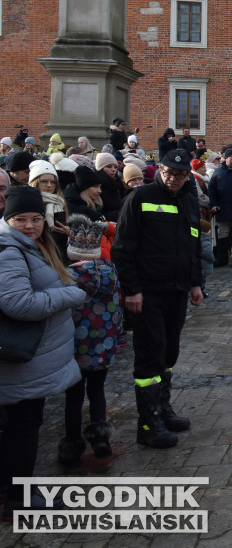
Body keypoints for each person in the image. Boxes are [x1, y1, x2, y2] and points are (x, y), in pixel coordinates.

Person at [0, 186, 87, 517]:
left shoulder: (31, 246)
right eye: (20, 219)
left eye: (35, 218)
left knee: (15, 424)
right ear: (8, 219)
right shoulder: (9, 250)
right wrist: (71, 294)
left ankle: (8, 489)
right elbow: (17, 302)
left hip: (30, 355)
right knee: (24, 425)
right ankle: (19, 498)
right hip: (23, 357)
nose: (29, 225)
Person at [111, 147, 202, 448]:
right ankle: (148, 423)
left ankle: (163, 408)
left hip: (176, 290)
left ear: (188, 175)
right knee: (150, 353)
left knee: (169, 352)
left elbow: (193, 244)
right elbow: (123, 249)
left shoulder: (189, 201)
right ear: (160, 171)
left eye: (180, 174)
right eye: (169, 173)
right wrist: (132, 289)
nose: (174, 179)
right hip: (147, 292)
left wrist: (195, 283)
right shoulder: (140, 198)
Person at [59, 215, 121, 466]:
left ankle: (72, 443)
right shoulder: (111, 274)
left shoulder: (66, 277)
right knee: (97, 392)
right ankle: (100, 440)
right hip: (103, 346)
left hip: (74, 348)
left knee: (73, 396)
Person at [28, 160, 71, 264]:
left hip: (61, 257)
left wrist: (70, 234)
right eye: (44, 181)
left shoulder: (60, 202)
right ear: (35, 182)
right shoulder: (28, 203)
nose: (49, 185)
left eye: (53, 182)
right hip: (39, 257)